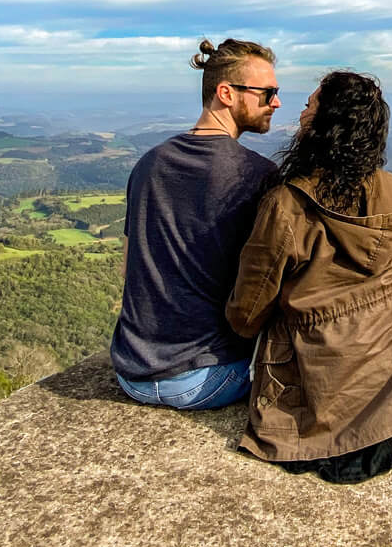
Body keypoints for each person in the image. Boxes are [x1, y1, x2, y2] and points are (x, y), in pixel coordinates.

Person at [226, 70, 392, 482]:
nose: (300, 110)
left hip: (330, 386)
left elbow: (248, 312)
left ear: (324, 125)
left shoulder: (287, 206)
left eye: (309, 104)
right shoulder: (390, 187)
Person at [110, 37, 281, 410]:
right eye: (267, 93)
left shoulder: (149, 164)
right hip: (207, 378)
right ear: (226, 93)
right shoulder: (257, 175)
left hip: (131, 372)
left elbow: (128, 269)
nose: (276, 102)